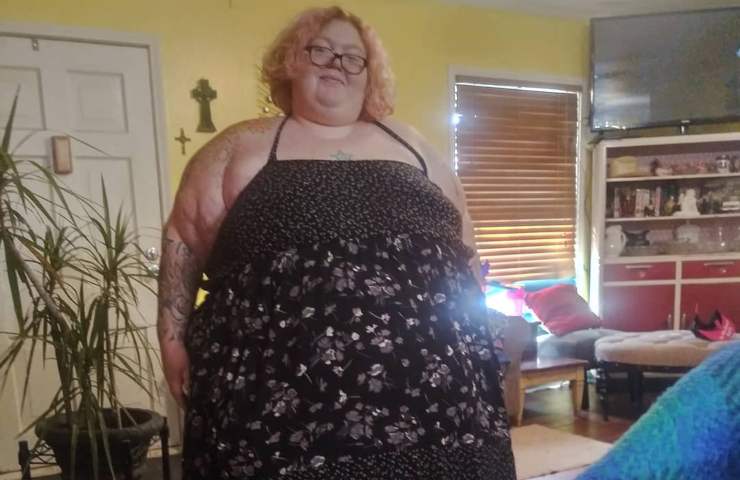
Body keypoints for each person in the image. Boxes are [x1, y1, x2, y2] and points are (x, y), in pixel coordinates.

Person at [157, 6, 516, 479]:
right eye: (320, 50)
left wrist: (479, 327)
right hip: (280, 418)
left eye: (353, 57)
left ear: (370, 75)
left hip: (439, 409)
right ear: (290, 61)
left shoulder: (415, 147)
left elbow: (463, 249)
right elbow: (183, 242)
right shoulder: (240, 147)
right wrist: (171, 340)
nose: (337, 64)